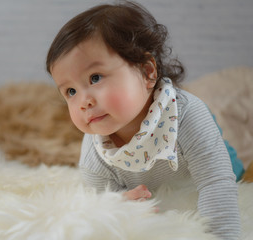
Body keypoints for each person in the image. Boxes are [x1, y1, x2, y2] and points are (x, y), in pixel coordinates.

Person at [46, 1, 241, 239]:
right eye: (70, 92)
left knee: (234, 170)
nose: (83, 101)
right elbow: (98, 202)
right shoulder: (95, 152)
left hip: (208, 164)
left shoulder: (187, 115)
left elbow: (215, 181)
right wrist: (119, 203)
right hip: (154, 184)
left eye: (95, 77)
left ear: (148, 72)